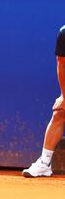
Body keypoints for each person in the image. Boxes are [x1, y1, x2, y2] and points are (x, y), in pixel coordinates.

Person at [22, 25, 65, 177]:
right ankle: (44, 163)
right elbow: (62, 64)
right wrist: (64, 96)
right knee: (60, 113)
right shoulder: (64, 33)